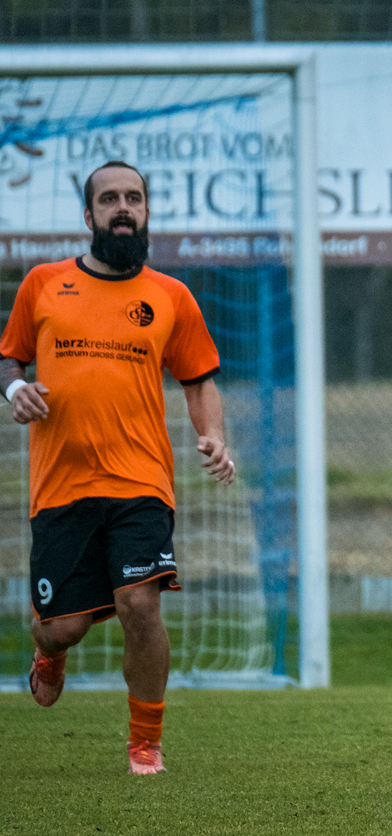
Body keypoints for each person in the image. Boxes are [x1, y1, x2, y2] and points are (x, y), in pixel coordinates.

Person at [1, 160, 235, 775]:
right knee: (63, 628)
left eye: (134, 197)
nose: (122, 207)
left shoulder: (171, 296)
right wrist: (14, 390)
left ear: (147, 211)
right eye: (109, 199)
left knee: (140, 603)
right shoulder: (43, 283)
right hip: (61, 485)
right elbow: (8, 358)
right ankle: (48, 653)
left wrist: (213, 436)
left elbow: (198, 379)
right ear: (89, 215)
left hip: (141, 481)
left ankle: (145, 742)